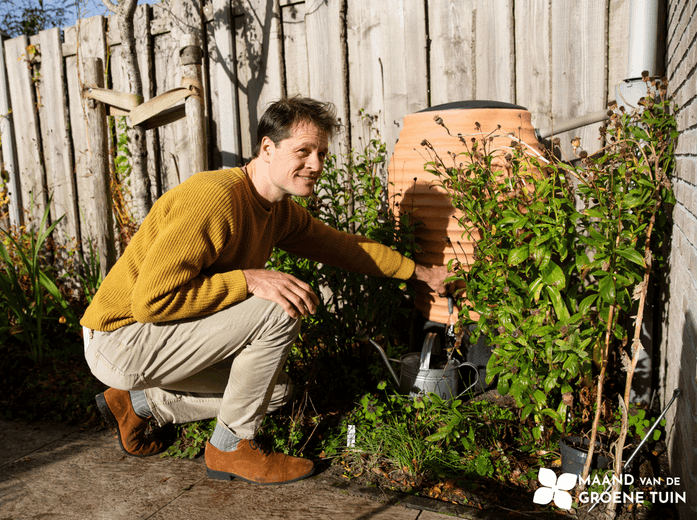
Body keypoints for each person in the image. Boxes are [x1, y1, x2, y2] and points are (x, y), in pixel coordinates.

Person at [80, 96, 450, 485]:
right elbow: (151, 302)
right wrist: (249, 279)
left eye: (322, 153)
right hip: (119, 338)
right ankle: (229, 447)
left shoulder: (278, 211)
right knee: (278, 305)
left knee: (272, 391)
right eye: (303, 151)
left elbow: (344, 247)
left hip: (154, 338)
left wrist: (422, 273)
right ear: (267, 148)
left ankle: (136, 403)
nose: (317, 165)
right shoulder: (214, 198)